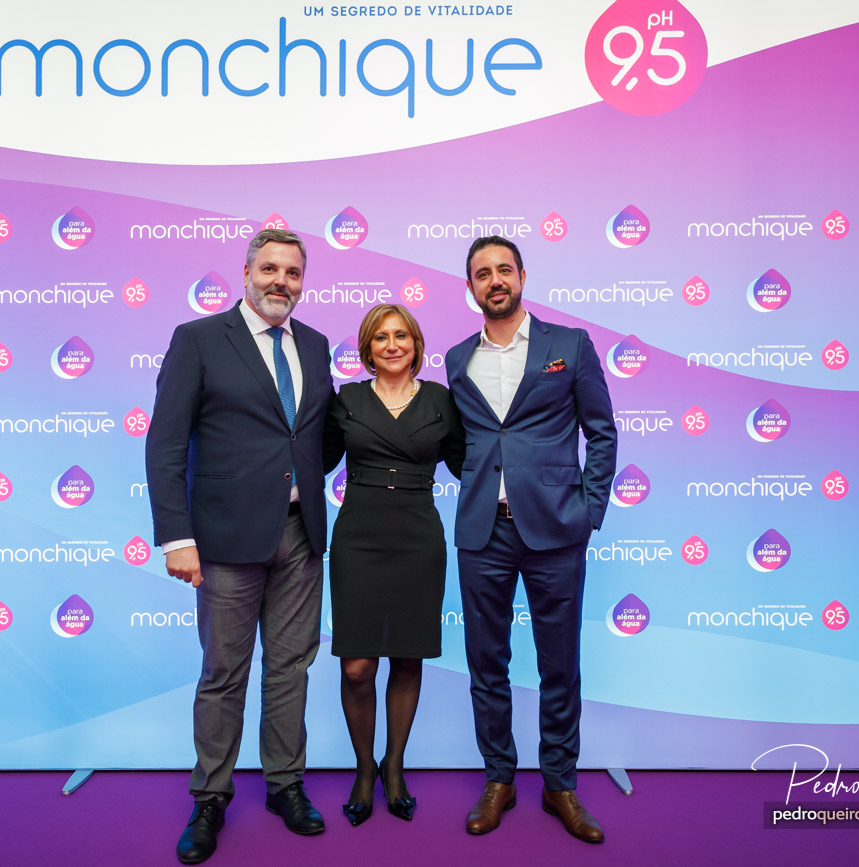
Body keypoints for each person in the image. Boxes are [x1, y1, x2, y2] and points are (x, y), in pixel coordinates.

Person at [145, 228, 334, 865]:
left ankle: (285, 786)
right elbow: (165, 445)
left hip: (300, 534)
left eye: (293, 272)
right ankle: (209, 798)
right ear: (247, 272)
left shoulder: (314, 344)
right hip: (223, 538)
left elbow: (313, 437)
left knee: (291, 668)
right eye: (271, 269)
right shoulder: (198, 339)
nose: (282, 281)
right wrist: (177, 537)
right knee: (224, 672)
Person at [445, 236, 617, 844]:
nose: (494, 280)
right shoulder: (456, 358)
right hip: (482, 532)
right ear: (471, 287)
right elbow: (463, 443)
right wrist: (478, 484)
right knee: (485, 662)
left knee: (559, 665)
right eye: (481, 273)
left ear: (521, 276)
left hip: (556, 530)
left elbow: (601, 431)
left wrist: (588, 509)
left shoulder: (569, 345)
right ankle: (499, 779)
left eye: (503, 270)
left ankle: (560, 785)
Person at [322, 304, 464, 827]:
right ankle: (365, 768)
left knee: (407, 658)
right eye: (380, 337)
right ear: (367, 349)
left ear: (416, 344)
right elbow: (313, 459)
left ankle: (394, 766)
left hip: (417, 538)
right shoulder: (346, 400)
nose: (392, 345)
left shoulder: (442, 400)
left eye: (401, 335)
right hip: (358, 537)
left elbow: (469, 463)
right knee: (357, 666)